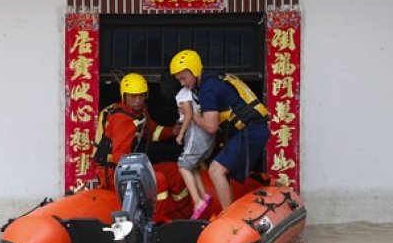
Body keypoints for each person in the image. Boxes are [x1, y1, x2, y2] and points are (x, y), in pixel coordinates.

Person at [170, 49, 270, 210]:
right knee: (222, 171)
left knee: (216, 170)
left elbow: (211, 127)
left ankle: (227, 217)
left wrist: (191, 115)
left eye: (183, 77)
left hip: (250, 131)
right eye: (178, 80)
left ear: (194, 70)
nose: (182, 83)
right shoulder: (214, 79)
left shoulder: (208, 90)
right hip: (254, 129)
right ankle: (229, 211)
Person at [93, 73, 192, 222]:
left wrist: (172, 131)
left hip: (133, 169)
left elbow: (151, 132)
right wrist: (143, 171)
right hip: (114, 174)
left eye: (141, 96)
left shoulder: (139, 112)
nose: (138, 101)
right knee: (158, 180)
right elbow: (120, 157)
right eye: (133, 97)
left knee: (174, 172)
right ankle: (155, 224)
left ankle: (183, 217)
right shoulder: (122, 119)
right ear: (124, 96)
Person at [174, 86, 215, 219]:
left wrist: (180, 135)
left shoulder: (182, 94)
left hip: (196, 133)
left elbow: (188, 115)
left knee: (183, 165)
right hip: (207, 137)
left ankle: (197, 202)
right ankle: (204, 195)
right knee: (193, 166)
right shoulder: (197, 92)